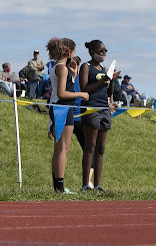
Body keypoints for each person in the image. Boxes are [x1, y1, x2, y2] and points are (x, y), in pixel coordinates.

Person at [46, 37, 89, 194]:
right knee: (63, 149)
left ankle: (57, 186)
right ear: (69, 51)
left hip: (59, 108)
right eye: (74, 52)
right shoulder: (61, 68)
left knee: (59, 149)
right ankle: (60, 187)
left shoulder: (59, 67)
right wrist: (81, 94)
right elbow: (62, 93)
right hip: (63, 108)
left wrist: (74, 74)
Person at [78, 40, 119, 192]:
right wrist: (103, 80)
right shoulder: (86, 67)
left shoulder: (103, 69)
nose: (103, 54)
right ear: (92, 52)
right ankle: (84, 184)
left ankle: (98, 185)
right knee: (90, 147)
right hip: (91, 109)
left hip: (104, 109)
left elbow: (109, 93)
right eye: (100, 51)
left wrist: (111, 79)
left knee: (101, 149)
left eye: (105, 51)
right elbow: (84, 88)